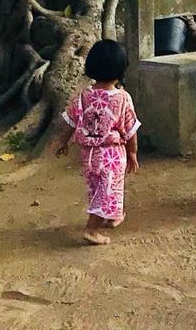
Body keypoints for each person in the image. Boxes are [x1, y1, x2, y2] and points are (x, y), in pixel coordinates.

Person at [55, 39, 140, 245]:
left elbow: (70, 121)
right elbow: (130, 129)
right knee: (108, 190)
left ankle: (110, 217)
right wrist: (132, 153)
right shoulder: (122, 98)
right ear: (121, 69)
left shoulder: (83, 96)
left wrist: (63, 142)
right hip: (111, 154)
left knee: (98, 188)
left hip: (88, 155)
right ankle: (92, 229)